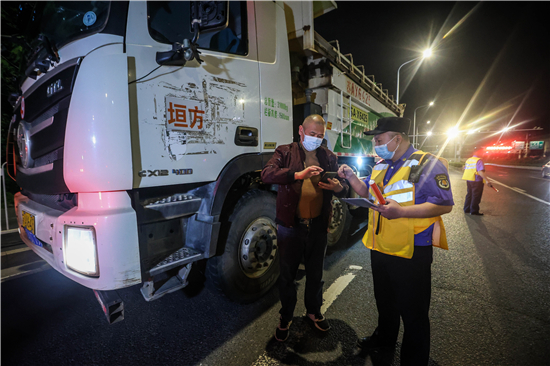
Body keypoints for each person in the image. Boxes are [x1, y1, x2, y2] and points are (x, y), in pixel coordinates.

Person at [337, 117, 454, 365]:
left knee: (414, 314)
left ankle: (414, 359)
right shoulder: (381, 165)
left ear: (396, 139)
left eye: (379, 140)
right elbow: (369, 192)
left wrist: (401, 212)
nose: (375, 145)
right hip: (380, 247)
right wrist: (351, 178)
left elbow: (444, 205)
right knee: (385, 303)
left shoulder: (425, 164)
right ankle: (385, 339)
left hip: (411, 251)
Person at [261, 114, 349, 342]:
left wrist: (338, 187)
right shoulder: (285, 152)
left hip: (318, 226)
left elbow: (344, 189)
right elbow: (267, 174)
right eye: (312, 134)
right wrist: (297, 175)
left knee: (316, 274)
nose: (316, 139)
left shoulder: (328, 156)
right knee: (287, 276)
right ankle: (286, 317)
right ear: (301, 130)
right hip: (291, 226)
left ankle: (313, 311)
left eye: (320, 136)